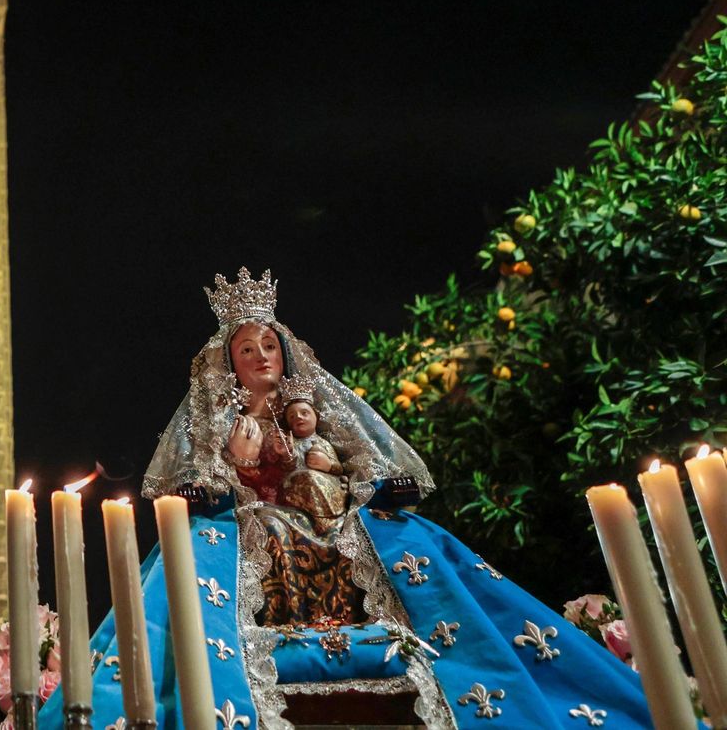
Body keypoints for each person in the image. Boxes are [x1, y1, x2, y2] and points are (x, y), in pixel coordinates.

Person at [37, 268, 676, 730]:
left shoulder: (311, 405)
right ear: (228, 363)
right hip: (256, 520)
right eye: (246, 349)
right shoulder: (220, 418)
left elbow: (360, 455)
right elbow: (201, 471)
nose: (260, 356)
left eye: (268, 345)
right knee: (196, 557)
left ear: (285, 352)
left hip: (331, 510)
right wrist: (218, 480)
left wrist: (370, 482)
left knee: (414, 540)